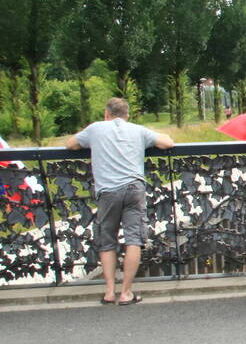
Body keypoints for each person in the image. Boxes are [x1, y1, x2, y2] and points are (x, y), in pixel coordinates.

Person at [65, 98, 174, 305]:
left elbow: (70, 144)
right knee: (134, 239)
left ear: (106, 114)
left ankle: (109, 292)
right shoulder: (138, 130)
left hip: (107, 191)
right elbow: (167, 143)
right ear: (127, 115)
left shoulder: (95, 129)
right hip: (133, 188)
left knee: (107, 240)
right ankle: (126, 293)